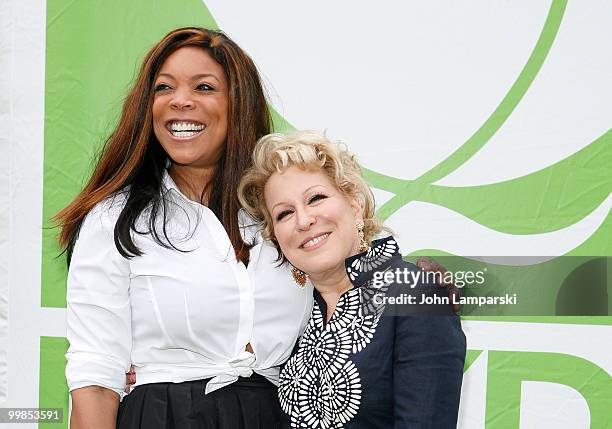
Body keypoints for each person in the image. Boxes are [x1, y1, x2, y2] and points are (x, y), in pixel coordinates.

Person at [56, 27, 314, 428]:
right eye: (163, 88)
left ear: (238, 103)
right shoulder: (114, 220)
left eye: (204, 87)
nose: (180, 101)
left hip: (277, 415)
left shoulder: (287, 210)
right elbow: (96, 377)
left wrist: (420, 284)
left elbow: (348, 298)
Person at [238, 131, 466, 428]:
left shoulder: (415, 292)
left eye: (316, 198)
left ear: (355, 206)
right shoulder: (294, 312)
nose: (304, 220)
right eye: (284, 214)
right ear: (277, 239)